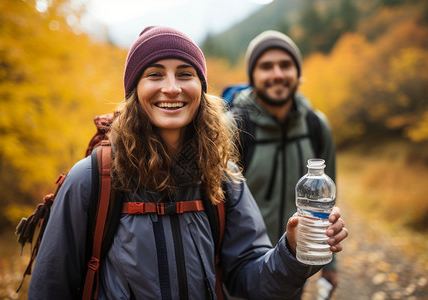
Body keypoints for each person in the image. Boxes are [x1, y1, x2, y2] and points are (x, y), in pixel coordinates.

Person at [27, 26, 348, 300]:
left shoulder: (224, 177)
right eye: (154, 74)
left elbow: (250, 277)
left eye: (185, 73)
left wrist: (291, 250)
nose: (171, 87)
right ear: (134, 90)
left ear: (201, 88)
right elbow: (50, 287)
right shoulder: (93, 178)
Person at [228, 30, 339, 296]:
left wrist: (331, 263)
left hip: (293, 269)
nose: (277, 73)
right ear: (252, 76)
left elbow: (329, 201)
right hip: (239, 274)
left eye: (286, 65)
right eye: (266, 66)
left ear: (297, 72)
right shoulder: (233, 128)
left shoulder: (316, 126)